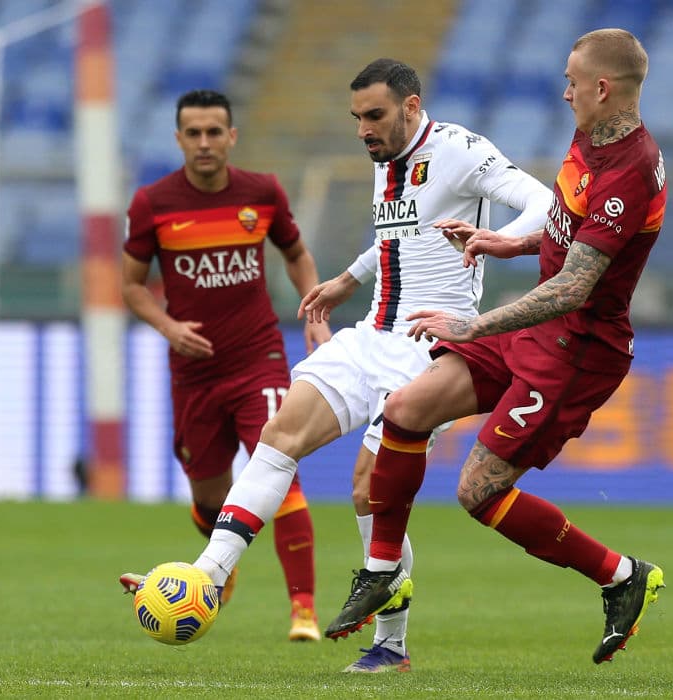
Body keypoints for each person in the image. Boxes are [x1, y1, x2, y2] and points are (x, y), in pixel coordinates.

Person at [152, 59, 556, 672]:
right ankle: (207, 576)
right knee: (278, 437)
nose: (364, 129)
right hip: (370, 334)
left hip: (432, 345)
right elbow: (397, 236)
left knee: (369, 486)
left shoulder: (458, 150)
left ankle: (390, 645)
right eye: (357, 119)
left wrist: (500, 243)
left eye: (376, 116)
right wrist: (348, 277)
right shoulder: (384, 159)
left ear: (412, 107)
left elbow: (542, 202)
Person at [325, 28, 668, 665]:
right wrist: (508, 244)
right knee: (404, 410)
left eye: (572, 81)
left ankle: (623, 577)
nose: (564, 93)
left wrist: (473, 325)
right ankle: (380, 571)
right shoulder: (593, 136)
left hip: (578, 349)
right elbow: (567, 233)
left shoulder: (630, 172)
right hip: (534, 331)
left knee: (478, 491)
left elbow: (575, 286)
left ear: (602, 88)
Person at [117, 89, 331, 642]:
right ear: (179, 139)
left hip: (257, 358)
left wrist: (312, 307)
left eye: (216, 132)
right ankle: (216, 572)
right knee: (209, 494)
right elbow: (130, 287)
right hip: (193, 372)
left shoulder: (262, 192)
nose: (206, 143)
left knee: (279, 474)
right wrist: (168, 327)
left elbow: (297, 254)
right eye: (195, 133)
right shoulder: (152, 203)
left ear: (232, 136)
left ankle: (303, 610)